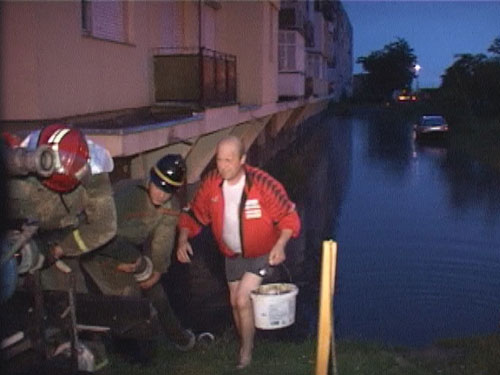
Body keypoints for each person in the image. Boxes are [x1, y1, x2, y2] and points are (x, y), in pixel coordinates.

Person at [176, 135, 301, 369]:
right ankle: (246, 338)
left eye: (229, 160)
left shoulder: (262, 184)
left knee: (243, 299)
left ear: (242, 160)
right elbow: (193, 213)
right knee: (235, 302)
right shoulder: (212, 183)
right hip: (232, 254)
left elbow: (289, 216)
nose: (222, 166)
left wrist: (281, 244)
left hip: (262, 252)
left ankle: (246, 352)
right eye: (219, 160)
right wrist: (183, 239)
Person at [82, 154, 197, 351]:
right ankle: (127, 351)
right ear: (150, 178)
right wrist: (116, 265)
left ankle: (182, 340)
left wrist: (157, 271)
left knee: (157, 293)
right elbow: (96, 232)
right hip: (95, 249)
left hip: (129, 251)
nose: (161, 194)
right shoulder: (127, 195)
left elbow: (162, 242)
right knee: (128, 296)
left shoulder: (170, 208)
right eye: (158, 185)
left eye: (167, 190)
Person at [7, 123, 117, 291]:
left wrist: (60, 249)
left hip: (58, 237)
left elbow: (104, 226)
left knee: (68, 301)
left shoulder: (94, 171)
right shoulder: (20, 154)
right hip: (14, 233)